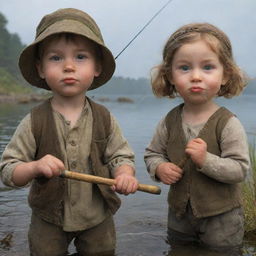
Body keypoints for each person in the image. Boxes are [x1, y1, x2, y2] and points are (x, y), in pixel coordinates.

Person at [0, 8, 138, 256]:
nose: (69, 66)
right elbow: (9, 171)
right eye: (56, 58)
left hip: (98, 216)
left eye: (81, 57)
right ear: (41, 69)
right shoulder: (33, 121)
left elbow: (121, 156)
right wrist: (34, 166)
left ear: (97, 67)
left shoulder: (105, 119)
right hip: (47, 219)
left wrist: (124, 173)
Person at [144, 23, 250, 255]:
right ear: (169, 76)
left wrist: (206, 160)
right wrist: (160, 167)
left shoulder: (228, 123)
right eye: (184, 68)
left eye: (208, 67)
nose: (195, 76)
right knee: (178, 250)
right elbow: (153, 153)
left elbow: (240, 169)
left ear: (226, 75)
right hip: (179, 217)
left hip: (221, 220)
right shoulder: (169, 121)